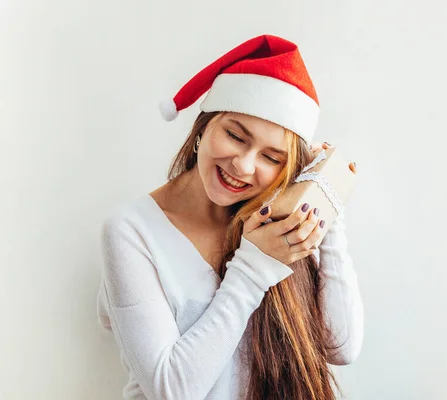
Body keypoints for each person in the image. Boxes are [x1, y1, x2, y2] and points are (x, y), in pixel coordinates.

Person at [96, 34, 364, 400]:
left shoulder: (278, 220)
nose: (244, 165)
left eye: (271, 158)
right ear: (203, 127)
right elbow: (171, 389)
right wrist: (254, 267)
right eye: (236, 136)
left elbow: (342, 348)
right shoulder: (131, 230)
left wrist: (327, 209)